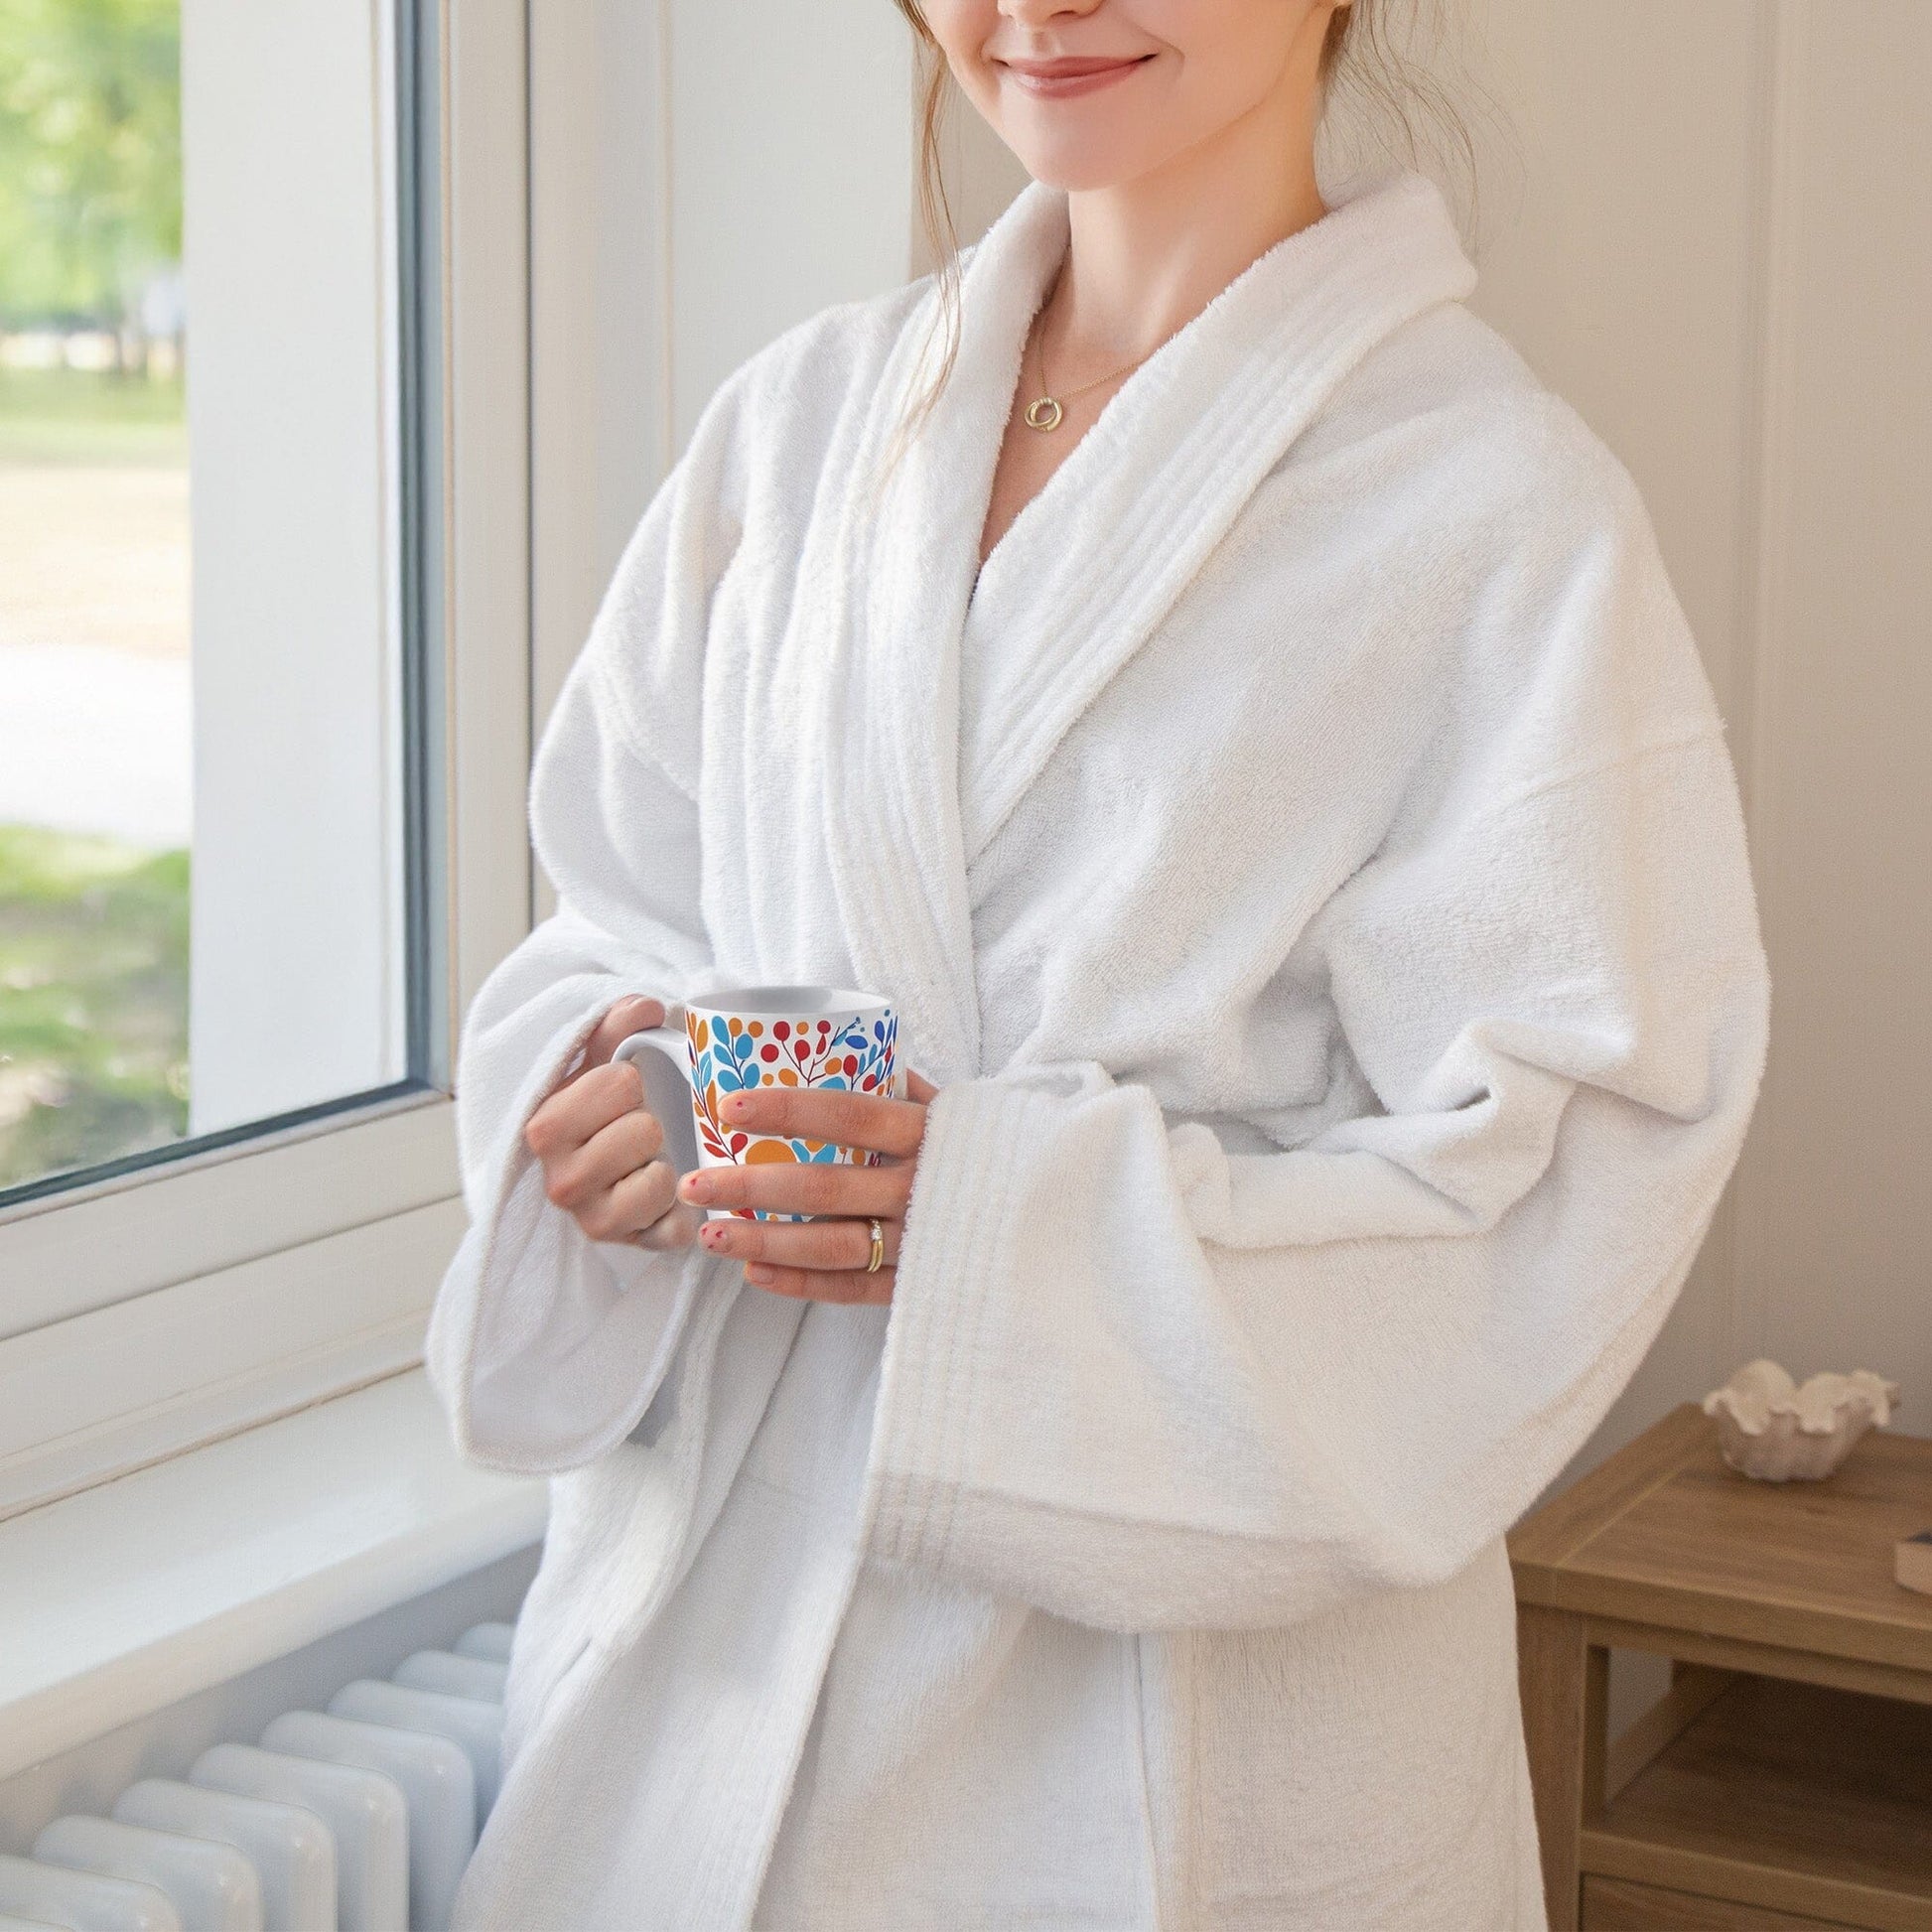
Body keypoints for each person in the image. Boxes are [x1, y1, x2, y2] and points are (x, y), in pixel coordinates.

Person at [426, 0, 1770, 1925]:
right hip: (709, 1698)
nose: (1033, 5)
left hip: (1186, 1762)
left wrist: (977, 1232)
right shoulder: (798, 430)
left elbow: (1553, 1186)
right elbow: (614, 901)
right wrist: (612, 1080)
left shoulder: (1493, 510)